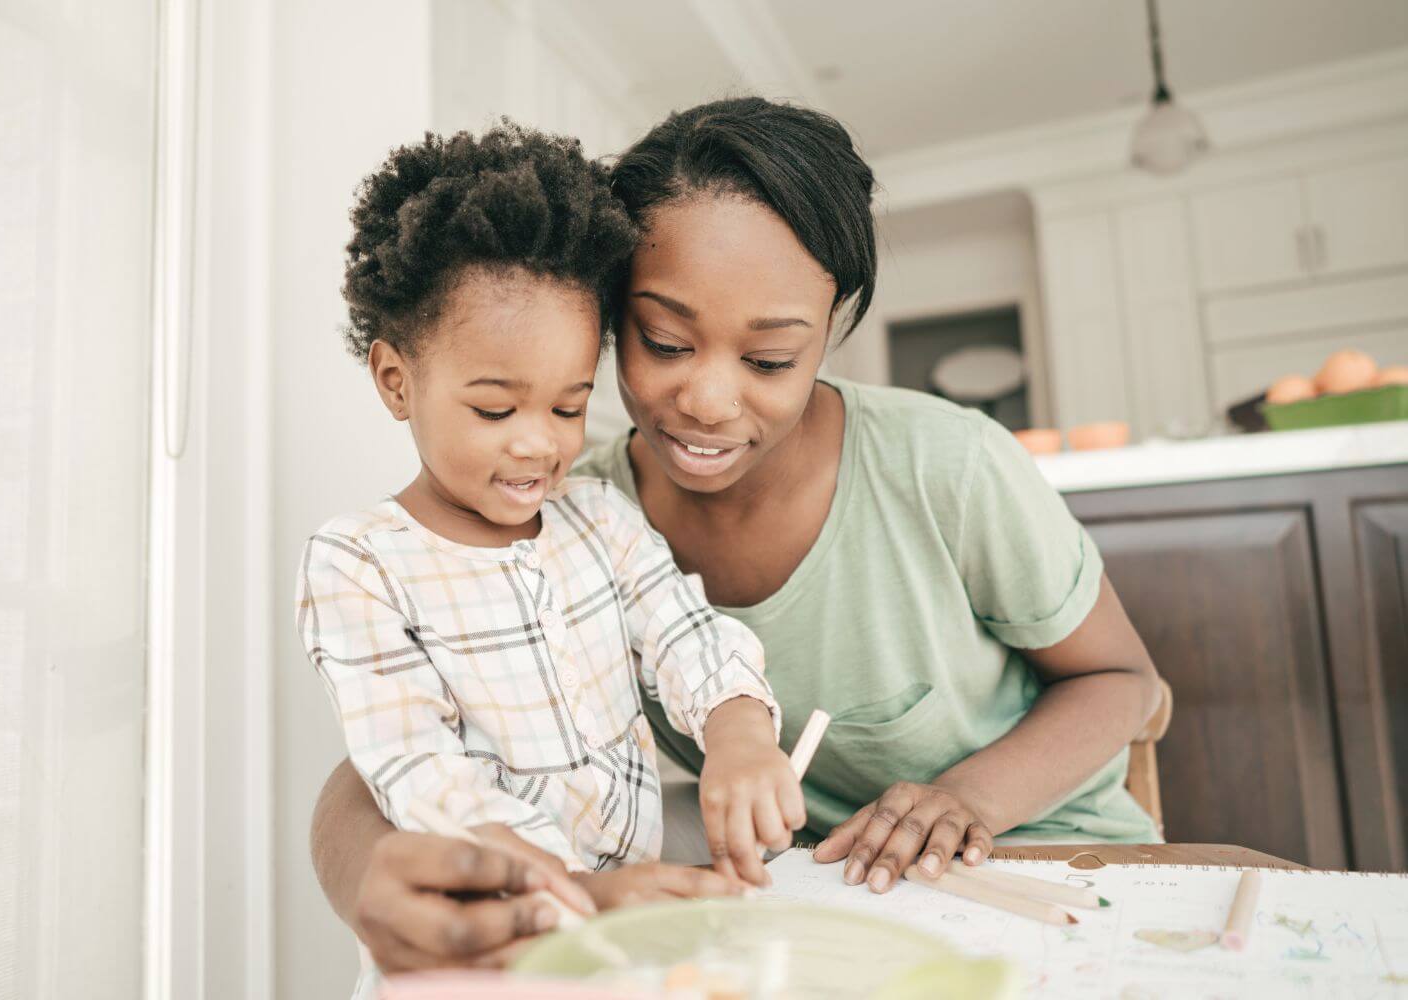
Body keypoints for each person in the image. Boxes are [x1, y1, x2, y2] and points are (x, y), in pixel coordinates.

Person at [310, 97, 1164, 974]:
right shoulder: (563, 511)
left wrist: (962, 797)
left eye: (767, 360)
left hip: (1047, 861)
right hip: (821, 897)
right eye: (665, 341)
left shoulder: (948, 467)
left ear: (830, 330)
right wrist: (369, 876)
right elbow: (395, 752)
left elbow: (1124, 681)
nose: (709, 403)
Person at [296, 122, 807, 996]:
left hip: (632, 936)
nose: (539, 445)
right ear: (396, 382)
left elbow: (685, 630)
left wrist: (738, 731)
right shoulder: (361, 564)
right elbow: (418, 774)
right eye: (496, 411)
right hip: (489, 949)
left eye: (569, 408)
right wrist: (577, 895)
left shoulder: (598, 519)